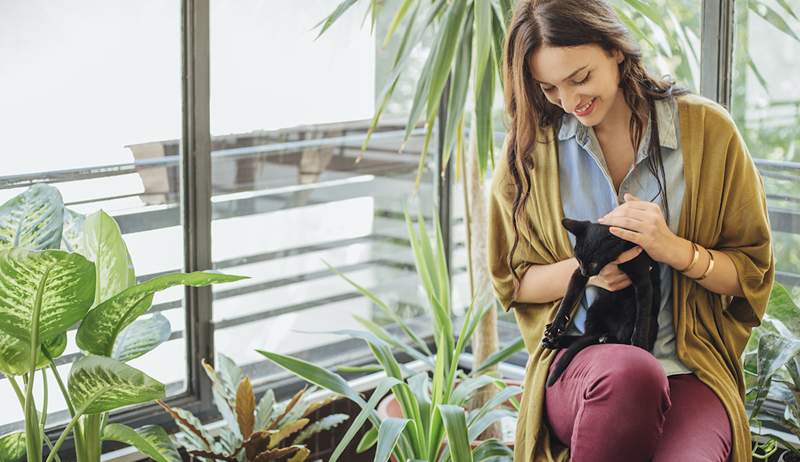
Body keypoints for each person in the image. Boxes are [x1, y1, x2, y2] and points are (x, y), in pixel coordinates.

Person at [486, 1, 775, 461]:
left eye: (579, 78)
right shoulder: (530, 152)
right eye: (550, 88)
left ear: (615, 49)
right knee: (630, 373)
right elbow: (512, 282)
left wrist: (673, 249)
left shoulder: (708, 132)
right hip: (584, 368)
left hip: (686, 368)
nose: (569, 101)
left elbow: (750, 275)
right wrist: (587, 271)